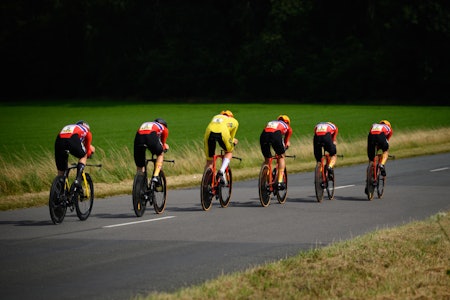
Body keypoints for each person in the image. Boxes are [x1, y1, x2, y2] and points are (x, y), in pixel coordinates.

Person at [54, 120, 95, 188]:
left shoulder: (71, 127)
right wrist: (89, 154)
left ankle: (59, 191)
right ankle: (78, 179)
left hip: (59, 140)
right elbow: (87, 148)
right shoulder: (87, 132)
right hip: (72, 138)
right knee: (83, 155)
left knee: (61, 171)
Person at [204, 110, 239, 185]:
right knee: (229, 151)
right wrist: (233, 142)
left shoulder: (216, 116)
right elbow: (231, 138)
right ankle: (222, 171)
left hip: (209, 132)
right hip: (223, 133)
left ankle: (206, 184)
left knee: (209, 160)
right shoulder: (234, 121)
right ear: (231, 116)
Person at [259, 115, 293, 190]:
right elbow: (286, 142)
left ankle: (264, 180)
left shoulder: (271, 123)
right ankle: (280, 181)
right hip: (275, 135)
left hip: (264, 135)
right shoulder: (288, 127)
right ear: (288, 122)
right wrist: (284, 148)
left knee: (267, 159)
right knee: (281, 157)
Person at [134, 118, 169, 187]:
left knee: (140, 166)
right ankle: (155, 176)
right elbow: (163, 143)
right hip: (150, 136)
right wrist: (165, 147)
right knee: (160, 154)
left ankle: (139, 185)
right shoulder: (163, 128)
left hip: (139, 137)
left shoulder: (147, 124)